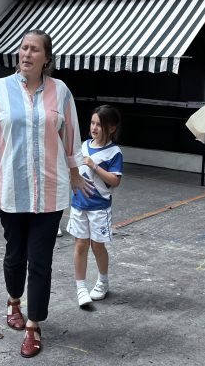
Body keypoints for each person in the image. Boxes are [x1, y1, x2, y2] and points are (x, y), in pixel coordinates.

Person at [0, 29, 93, 358]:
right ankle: (13, 300)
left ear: (46, 58)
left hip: (50, 192)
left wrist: (76, 177)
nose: (26, 54)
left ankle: (34, 325)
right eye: (23, 48)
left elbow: (71, 138)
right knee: (15, 256)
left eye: (34, 49)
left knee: (40, 261)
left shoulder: (61, 91)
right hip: (11, 190)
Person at [68, 105, 123, 307]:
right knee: (80, 244)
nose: (94, 127)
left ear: (112, 128)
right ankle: (81, 288)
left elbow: (115, 180)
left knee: (97, 245)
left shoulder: (114, 152)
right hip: (78, 204)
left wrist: (94, 165)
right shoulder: (83, 145)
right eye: (92, 123)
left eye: (99, 124)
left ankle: (102, 281)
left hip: (99, 207)